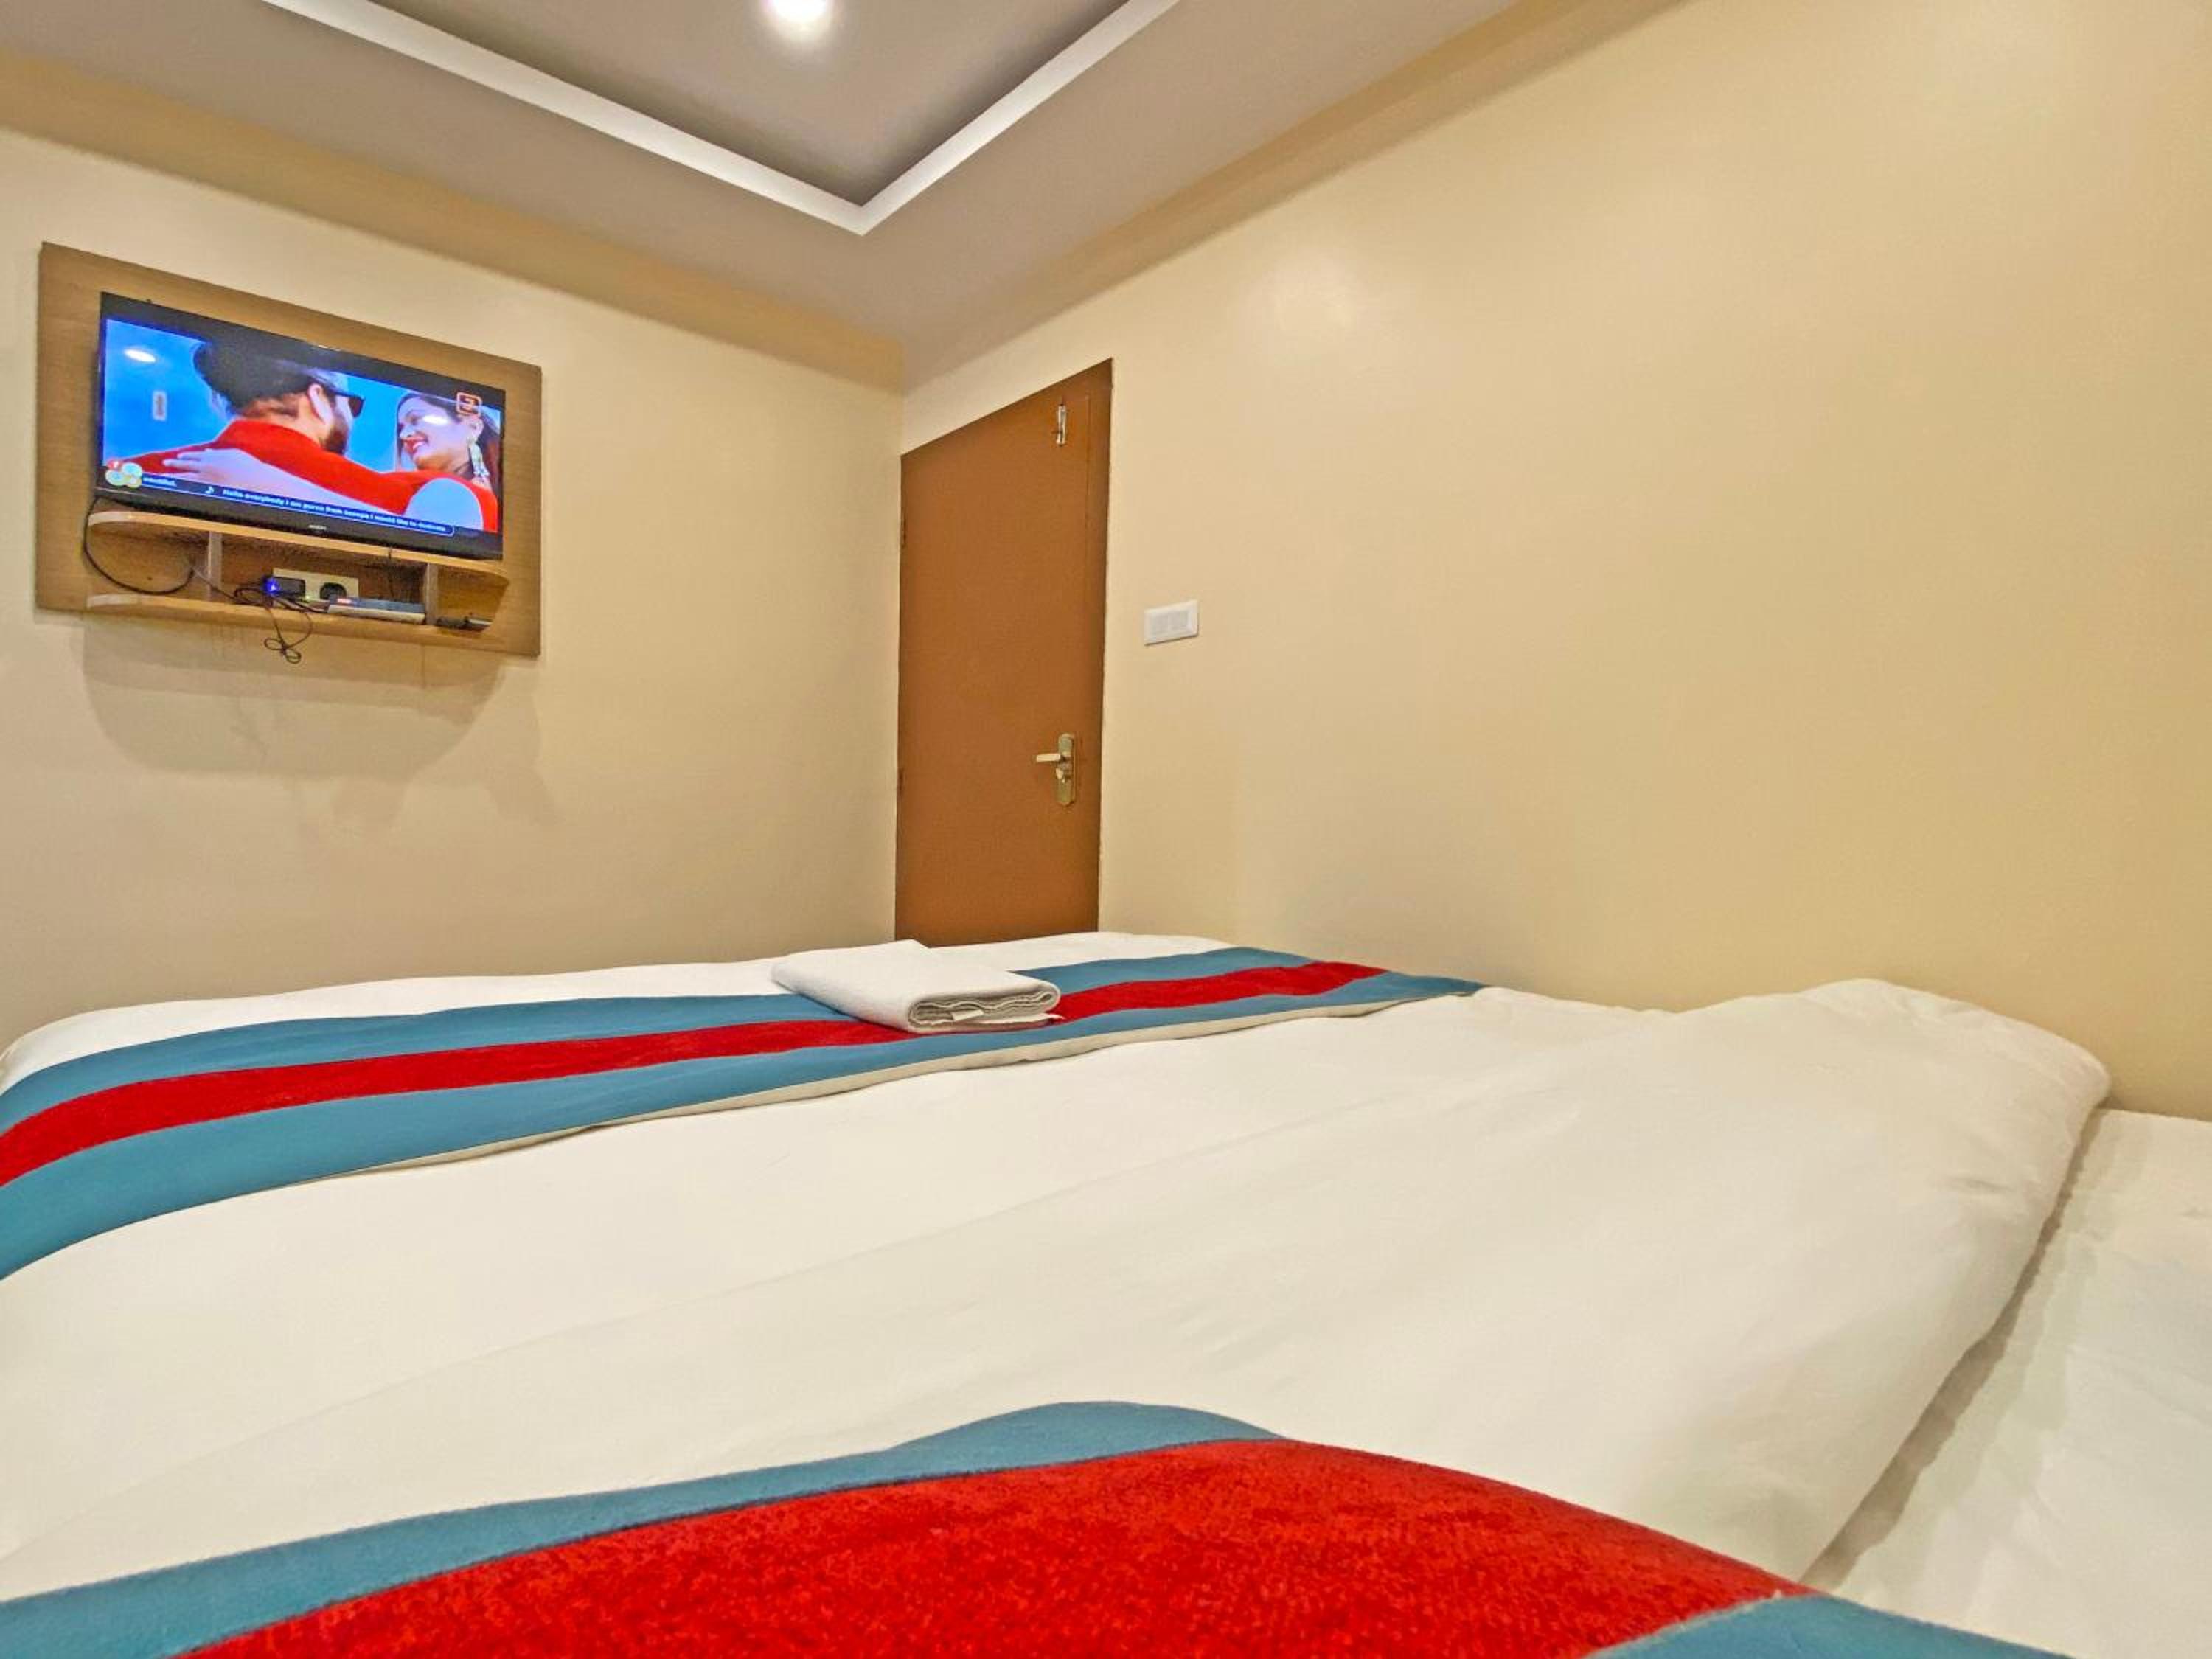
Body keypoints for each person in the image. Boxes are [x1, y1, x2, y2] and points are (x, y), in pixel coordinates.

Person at [116, 344, 495, 532]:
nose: (406, 435)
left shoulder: (137, 471)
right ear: (317, 397)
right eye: (353, 405)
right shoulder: (406, 493)